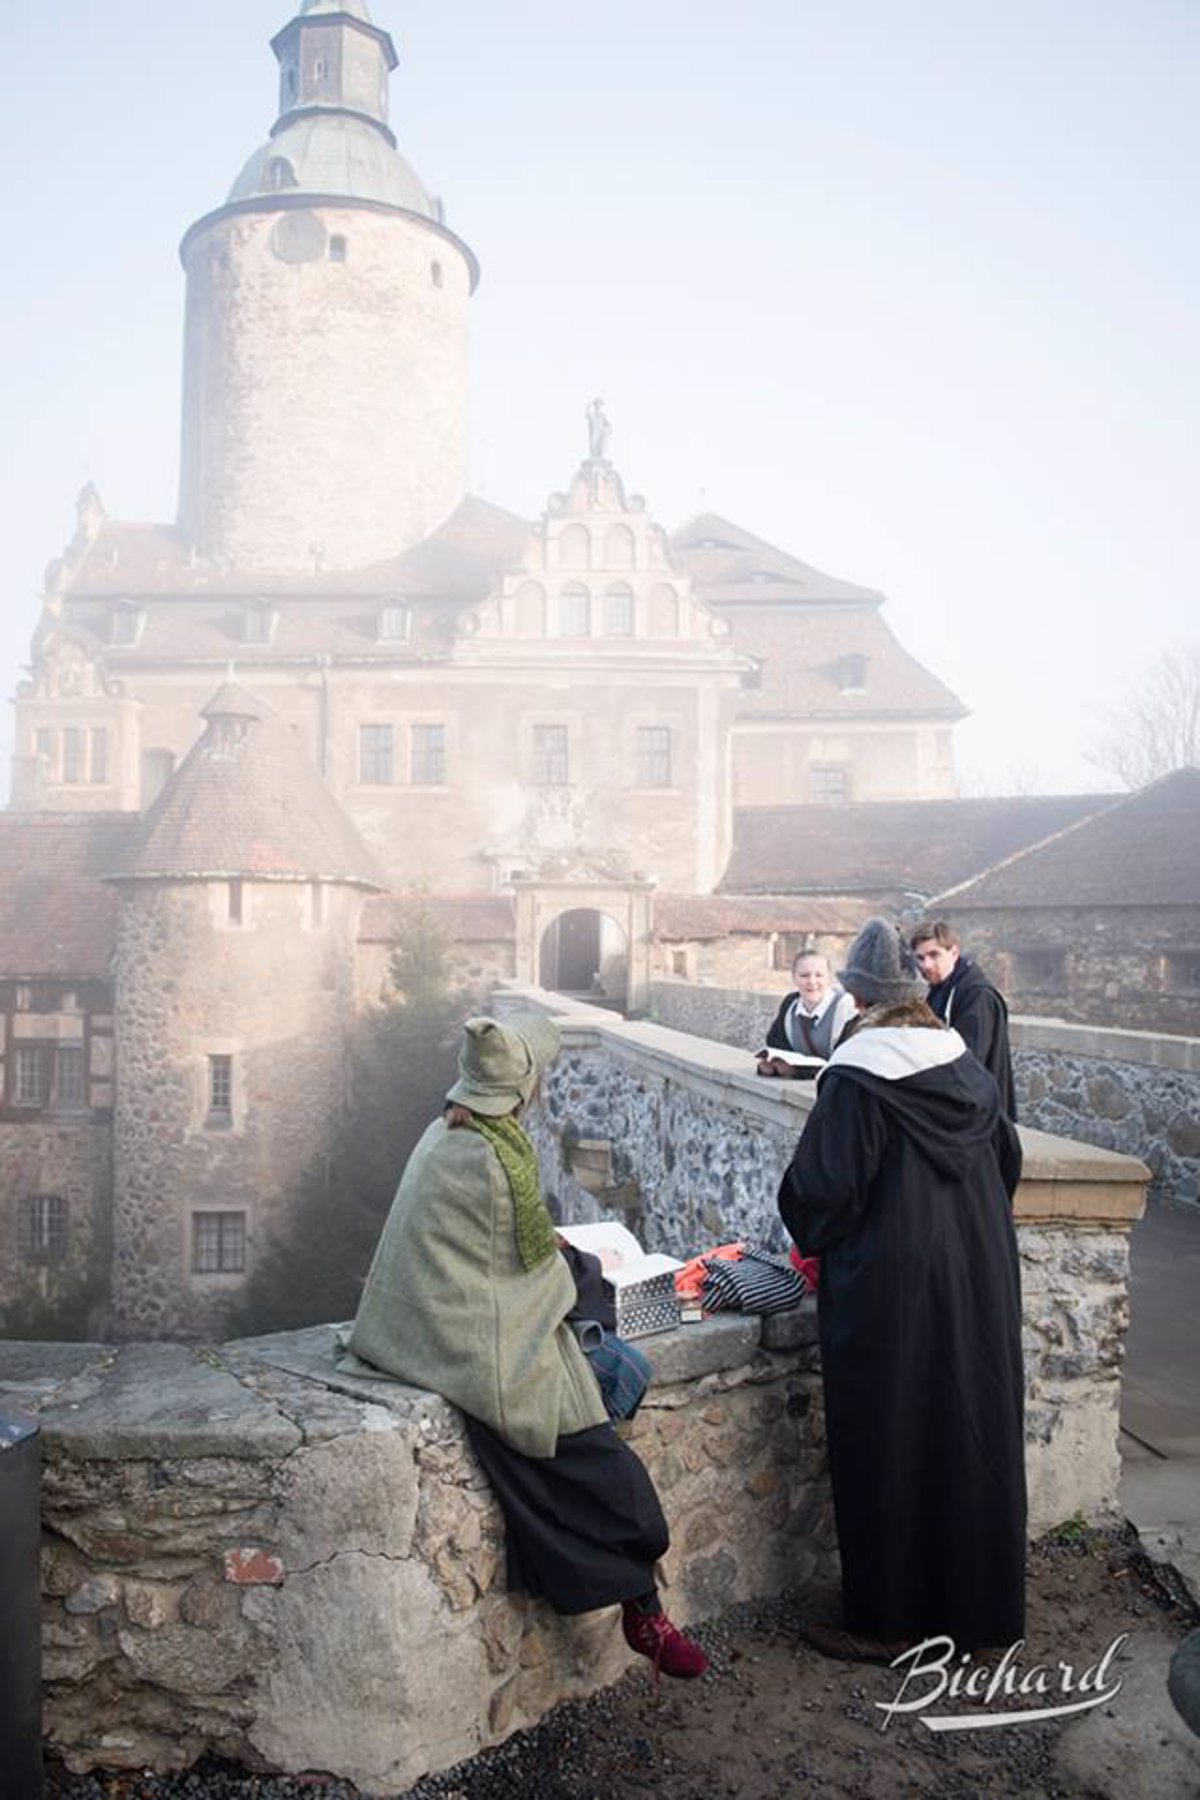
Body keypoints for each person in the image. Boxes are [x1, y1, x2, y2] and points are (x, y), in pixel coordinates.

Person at [341, 1012, 708, 1680]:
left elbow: (504, 1252)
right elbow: (523, 1274)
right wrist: (583, 1272)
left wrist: (564, 1263)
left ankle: (640, 1606)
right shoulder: (491, 1158)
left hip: (429, 1326)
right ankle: (643, 1609)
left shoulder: (448, 1132)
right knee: (597, 1433)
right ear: (527, 1083)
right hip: (462, 1337)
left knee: (611, 1371)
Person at [777, 919, 1026, 1663]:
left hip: (890, 1289)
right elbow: (1006, 1162)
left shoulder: (859, 1080)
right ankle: (977, 1613)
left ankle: (888, 1621)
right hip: (977, 1281)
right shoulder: (967, 1072)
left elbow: (821, 1192)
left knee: (889, 1439)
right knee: (965, 1434)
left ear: (857, 997)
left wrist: (814, 1236)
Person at [910, 919, 1017, 1119]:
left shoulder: (977, 996)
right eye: (920, 958)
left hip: (979, 1116)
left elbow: (968, 1063)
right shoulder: (939, 990)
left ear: (954, 953)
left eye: (934, 955)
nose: (926, 965)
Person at [757, 949, 857, 1077]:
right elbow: (776, 1045)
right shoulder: (790, 1004)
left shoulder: (846, 1006)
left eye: (819, 975)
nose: (812, 982)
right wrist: (772, 1066)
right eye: (804, 975)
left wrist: (799, 1072)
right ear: (794, 977)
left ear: (829, 978)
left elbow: (846, 1062)